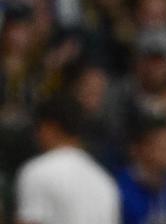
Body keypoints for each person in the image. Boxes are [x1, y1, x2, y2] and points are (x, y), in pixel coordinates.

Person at [14, 96, 120, 224]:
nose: (36, 136)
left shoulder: (37, 172)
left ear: (49, 127)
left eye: (38, 128)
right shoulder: (105, 181)